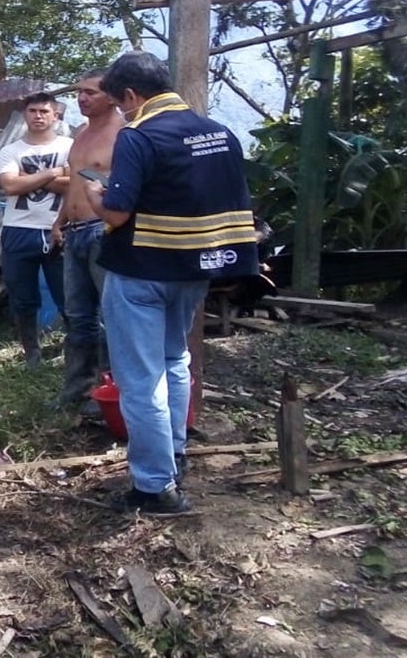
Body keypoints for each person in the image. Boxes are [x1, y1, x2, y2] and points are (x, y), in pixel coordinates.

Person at [84, 52, 258, 514]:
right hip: (196, 270)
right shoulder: (219, 133)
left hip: (141, 273)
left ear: (131, 96)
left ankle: (155, 486)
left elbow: (118, 213)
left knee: (140, 380)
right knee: (174, 359)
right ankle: (173, 451)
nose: (124, 112)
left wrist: (95, 195)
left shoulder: (139, 137)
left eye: (121, 105)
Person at [51, 70, 124, 411]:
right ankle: (76, 392)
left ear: (111, 96)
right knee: (77, 316)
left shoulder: (125, 133)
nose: (82, 98)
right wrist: (60, 221)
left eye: (90, 92)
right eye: (79, 92)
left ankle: (113, 391)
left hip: (103, 231)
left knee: (111, 316)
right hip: (76, 231)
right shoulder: (80, 133)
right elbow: (76, 184)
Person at [0, 91, 72, 368]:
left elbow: (76, 184)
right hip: (18, 229)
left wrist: (30, 179)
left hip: (60, 227)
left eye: (44, 111)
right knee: (23, 297)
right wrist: (52, 173)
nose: (38, 116)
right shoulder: (10, 151)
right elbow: (10, 186)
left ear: (56, 115)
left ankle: (76, 357)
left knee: (69, 297)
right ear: (25, 115)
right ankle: (32, 354)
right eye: (33, 111)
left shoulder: (70, 147)